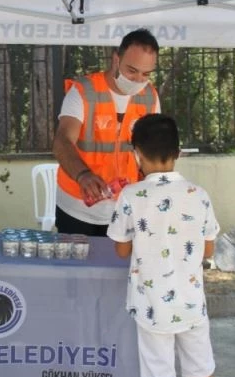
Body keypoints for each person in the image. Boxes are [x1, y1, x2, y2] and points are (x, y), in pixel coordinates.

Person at [107, 114, 230, 377]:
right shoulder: (198, 195)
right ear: (178, 152)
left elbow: (120, 249)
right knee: (202, 374)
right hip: (192, 305)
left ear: (136, 154)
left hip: (151, 309)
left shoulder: (131, 196)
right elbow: (208, 249)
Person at [53, 28, 161, 236]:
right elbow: (62, 142)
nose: (138, 79)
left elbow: (151, 153)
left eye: (146, 74)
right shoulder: (84, 91)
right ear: (115, 59)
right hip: (77, 208)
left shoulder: (150, 96)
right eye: (131, 70)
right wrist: (83, 175)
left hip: (126, 209)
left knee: (121, 268)